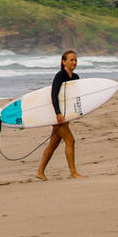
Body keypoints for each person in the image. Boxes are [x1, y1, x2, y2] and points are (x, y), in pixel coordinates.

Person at [36, 50, 85, 180]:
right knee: (70, 140)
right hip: (58, 117)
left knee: (53, 144)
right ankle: (73, 172)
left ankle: (40, 171)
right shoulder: (59, 76)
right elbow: (54, 95)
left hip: (66, 116)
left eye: (75, 60)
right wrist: (57, 113)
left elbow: (75, 98)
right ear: (64, 62)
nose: (74, 62)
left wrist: (77, 113)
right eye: (71, 60)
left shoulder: (75, 77)